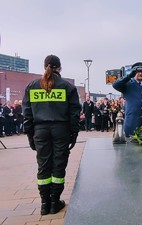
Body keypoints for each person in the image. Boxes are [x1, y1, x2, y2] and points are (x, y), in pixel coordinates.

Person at [22, 55, 81, 215]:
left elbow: (27, 115)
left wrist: (30, 136)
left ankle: (44, 204)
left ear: (44, 66)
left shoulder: (32, 86)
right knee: (58, 165)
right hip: (61, 130)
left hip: (40, 131)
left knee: (43, 166)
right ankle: (55, 202)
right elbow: (74, 113)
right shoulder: (68, 87)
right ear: (59, 67)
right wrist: (74, 134)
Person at [112, 62, 142, 136]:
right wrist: (129, 76)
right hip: (131, 123)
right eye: (137, 72)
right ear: (134, 72)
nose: (140, 73)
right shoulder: (128, 84)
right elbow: (115, 85)